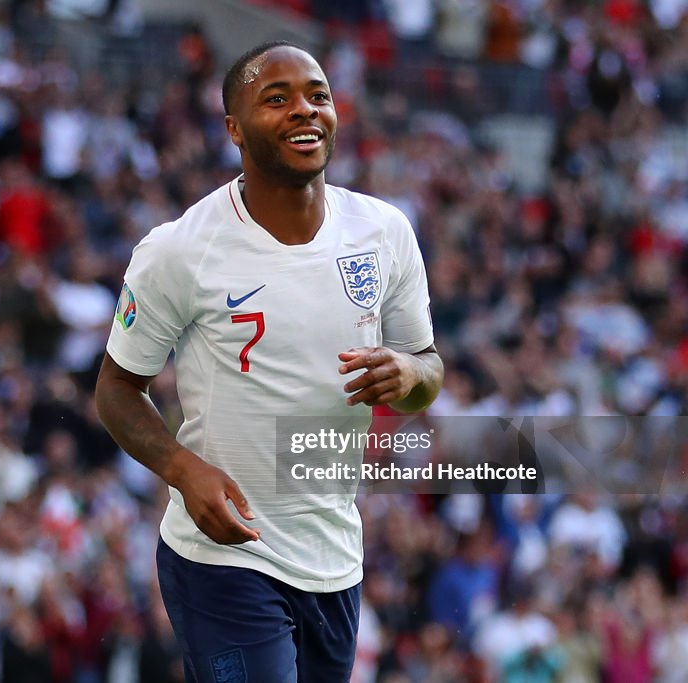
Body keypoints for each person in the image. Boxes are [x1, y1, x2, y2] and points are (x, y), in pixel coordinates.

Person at [95, 41, 442, 682]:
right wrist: (181, 469)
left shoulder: (384, 232)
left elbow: (426, 369)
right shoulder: (178, 250)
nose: (302, 111)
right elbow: (116, 391)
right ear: (234, 129)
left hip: (334, 555)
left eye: (317, 95)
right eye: (275, 99)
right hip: (225, 556)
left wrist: (414, 374)